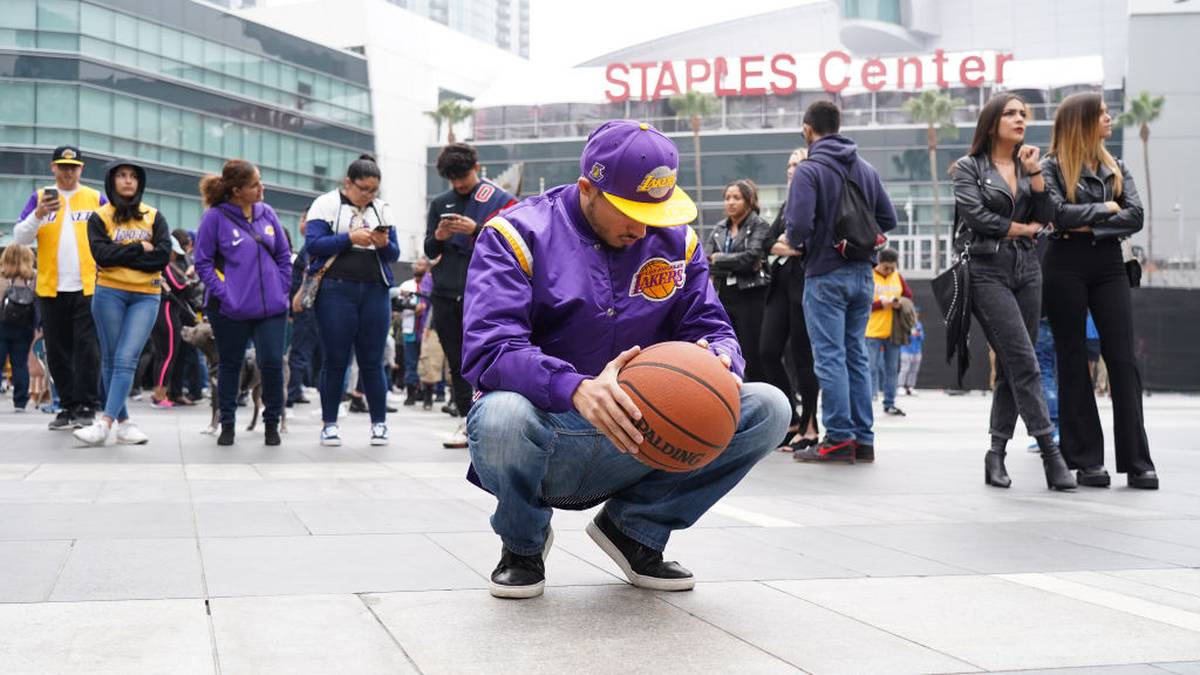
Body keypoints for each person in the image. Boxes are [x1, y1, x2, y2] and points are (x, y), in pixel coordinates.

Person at [462, 119, 790, 599]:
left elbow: (712, 327)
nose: (642, 228)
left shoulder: (679, 242)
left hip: (643, 432)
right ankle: (522, 543)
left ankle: (635, 530)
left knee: (767, 407)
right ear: (587, 189)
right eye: (628, 211)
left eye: (654, 212)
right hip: (550, 430)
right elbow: (490, 348)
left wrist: (719, 359)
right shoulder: (514, 234)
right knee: (501, 415)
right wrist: (575, 387)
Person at [951, 93, 1075, 490]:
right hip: (988, 269)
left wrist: (1037, 175)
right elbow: (976, 216)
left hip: (1028, 269)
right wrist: (1020, 228)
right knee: (1024, 360)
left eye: (1023, 113)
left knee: (1012, 365)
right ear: (992, 122)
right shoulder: (969, 168)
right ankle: (1050, 453)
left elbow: (1051, 217)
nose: (1020, 119)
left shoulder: (1029, 166)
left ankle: (995, 454)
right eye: (1010, 113)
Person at [1042, 91, 1157, 489]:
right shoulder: (1051, 166)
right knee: (1072, 360)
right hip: (1064, 264)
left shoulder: (1117, 166)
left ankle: (1138, 460)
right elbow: (1056, 214)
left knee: (1123, 359)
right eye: (1103, 113)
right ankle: (1087, 460)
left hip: (1109, 264)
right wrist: (1107, 210)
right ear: (1083, 122)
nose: (1110, 118)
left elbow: (1137, 215)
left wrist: (1089, 223)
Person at [786, 101, 896, 464]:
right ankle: (863, 440)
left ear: (807, 129)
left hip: (825, 273)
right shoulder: (864, 168)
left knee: (830, 357)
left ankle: (837, 438)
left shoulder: (809, 169)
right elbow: (888, 217)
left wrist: (803, 241)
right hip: (863, 273)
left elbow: (799, 226)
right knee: (856, 357)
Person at [424, 143, 517, 449]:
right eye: (453, 179)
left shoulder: (499, 200)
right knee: (456, 360)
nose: (460, 183)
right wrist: (438, 237)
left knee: (486, 356)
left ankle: (490, 418)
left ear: (476, 167)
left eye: (463, 175)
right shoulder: (441, 203)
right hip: (446, 291)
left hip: (485, 292)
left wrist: (476, 229)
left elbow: (514, 239)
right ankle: (468, 421)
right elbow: (429, 250)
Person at [303, 155, 400, 446]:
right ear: (348, 183)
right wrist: (349, 238)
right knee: (335, 359)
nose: (369, 195)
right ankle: (329, 423)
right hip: (335, 289)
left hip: (375, 290)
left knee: (373, 360)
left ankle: (379, 423)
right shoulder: (325, 203)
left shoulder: (382, 209)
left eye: (374, 190)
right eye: (363, 189)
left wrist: (384, 244)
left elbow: (393, 254)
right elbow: (313, 244)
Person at [193, 160, 292, 447]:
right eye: (254, 184)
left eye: (260, 181)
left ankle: (272, 422)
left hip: (271, 307)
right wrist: (226, 292)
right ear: (236, 190)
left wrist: (282, 288)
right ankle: (227, 423)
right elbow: (203, 262)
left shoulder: (268, 213)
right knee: (230, 364)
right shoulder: (215, 218)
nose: (262, 188)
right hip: (230, 309)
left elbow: (285, 256)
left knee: (272, 362)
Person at [73, 161, 171, 446]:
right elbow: (102, 255)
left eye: (133, 177)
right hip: (108, 294)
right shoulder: (99, 217)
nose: (128, 181)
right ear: (111, 181)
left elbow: (162, 256)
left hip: (146, 295)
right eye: (121, 176)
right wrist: (140, 247)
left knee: (126, 357)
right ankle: (125, 423)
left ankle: (104, 423)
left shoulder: (154, 216)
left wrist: (122, 254)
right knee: (112, 357)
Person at [12, 146, 103, 430]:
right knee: (57, 350)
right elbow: (20, 238)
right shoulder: (39, 198)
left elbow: (110, 235)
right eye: (62, 166)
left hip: (87, 287)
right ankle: (67, 405)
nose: (67, 172)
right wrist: (38, 214)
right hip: (51, 288)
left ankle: (87, 405)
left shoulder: (95, 199)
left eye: (73, 167)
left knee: (87, 349)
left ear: (81, 169)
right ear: (53, 168)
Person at [760, 149, 821, 451]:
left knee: (803, 359)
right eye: (788, 165)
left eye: (797, 164)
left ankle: (810, 427)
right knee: (768, 350)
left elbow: (805, 243)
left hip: (804, 285)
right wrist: (787, 245)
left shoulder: (814, 200)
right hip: (779, 286)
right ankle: (794, 418)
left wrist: (790, 245)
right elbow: (766, 243)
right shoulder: (786, 205)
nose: (790, 169)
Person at [705, 179, 770, 382]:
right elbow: (706, 260)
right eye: (727, 198)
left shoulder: (759, 225)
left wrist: (720, 258)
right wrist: (727, 261)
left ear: (749, 201)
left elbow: (751, 258)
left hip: (751, 295)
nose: (731, 202)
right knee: (729, 348)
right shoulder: (719, 228)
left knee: (753, 352)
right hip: (724, 294)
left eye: (736, 198)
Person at [149, 234, 195, 408]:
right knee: (167, 355)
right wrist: (190, 279)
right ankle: (159, 396)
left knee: (165, 355)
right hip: (167, 311)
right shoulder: (164, 264)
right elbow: (180, 286)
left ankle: (164, 393)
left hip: (167, 310)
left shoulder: (166, 265)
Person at [866, 248, 911, 416]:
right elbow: (861, 301)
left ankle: (890, 403)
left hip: (893, 332)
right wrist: (880, 305)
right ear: (879, 263)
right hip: (872, 331)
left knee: (892, 369)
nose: (890, 271)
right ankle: (867, 401)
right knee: (869, 368)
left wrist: (900, 303)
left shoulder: (897, 277)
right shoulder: (869, 275)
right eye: (886, 268)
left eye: (893, 267)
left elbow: (908, 295)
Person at [0, 245, 37, 412]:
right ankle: (20, 402)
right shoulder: (33, 277)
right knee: (20, 363)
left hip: (2, 324)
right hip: (25, 326)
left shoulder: (2, 276)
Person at [287, 215, 319, 407]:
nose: (302, 224)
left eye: (305, 219)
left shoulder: (312, 245)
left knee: (300, 351)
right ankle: (295, 390)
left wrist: (299, 298)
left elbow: (310, 273)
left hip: (308, 305)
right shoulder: (311, 245)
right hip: (309, 305)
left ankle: (290, 394)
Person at [399, 257, 430, 406]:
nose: (419, 267)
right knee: (410, 362)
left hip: (425, 330)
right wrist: (413, 308)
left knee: (425, 362)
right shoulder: (406, 285)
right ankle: (410, 393)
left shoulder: (430, 285)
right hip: (410, 329)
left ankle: (425, 393)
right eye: (417, 264)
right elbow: (397, 304)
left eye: (422, 265)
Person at [898, 311, 924, 396]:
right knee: (904, 369)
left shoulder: (919, 325)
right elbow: (902, 336)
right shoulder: (905, 323)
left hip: (917, 351)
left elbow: (922, 337)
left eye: (916, 313)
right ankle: (900, 387)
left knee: (914, 370)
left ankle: (910, 387)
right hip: (906, 350)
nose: (915, 315)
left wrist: (918, 334)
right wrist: (911, 334)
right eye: (913, 313)